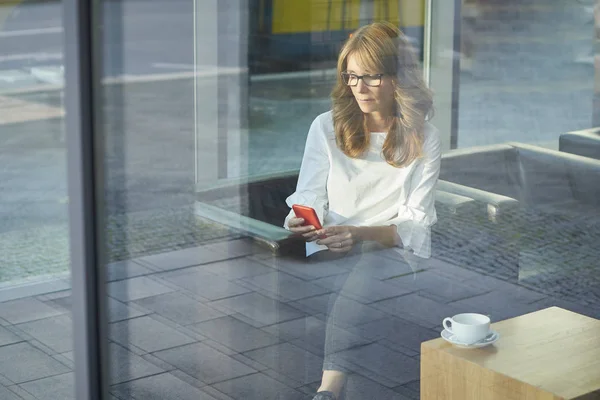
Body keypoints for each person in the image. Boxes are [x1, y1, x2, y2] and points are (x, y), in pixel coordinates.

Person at [283, 21, 441, 400]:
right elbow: (307, 197)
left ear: (397, 78)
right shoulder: (326, 127)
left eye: (370, 76)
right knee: (361, 276)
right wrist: (299, 222)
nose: (358, 88)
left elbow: (416, 224)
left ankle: (328, 390)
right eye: (351, 76)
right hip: (332, 248)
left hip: (393, 251)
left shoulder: (423, 137)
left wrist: (360, 234)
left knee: (371, 262)